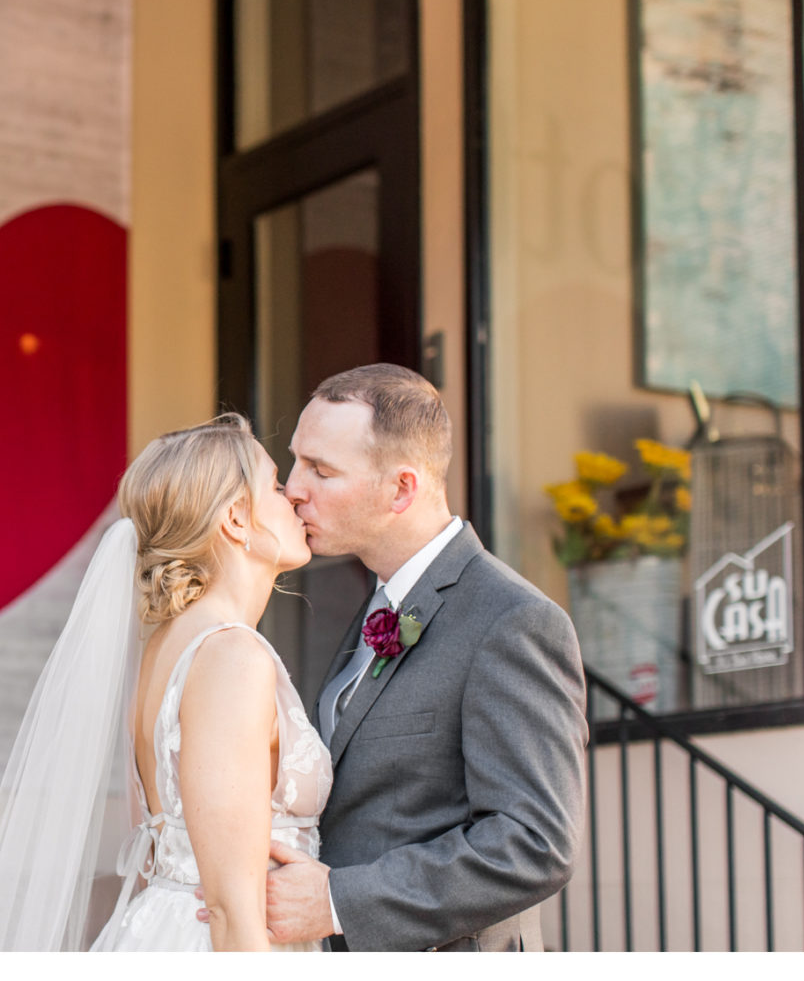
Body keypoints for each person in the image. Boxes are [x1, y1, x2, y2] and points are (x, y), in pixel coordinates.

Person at [203, 363, 587, 951]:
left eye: (322, 470)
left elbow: (533, 842)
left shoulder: (511, 621)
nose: (294, 488)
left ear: (401, 488)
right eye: (297, 461)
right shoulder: (374, 606)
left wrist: (337, 902)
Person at [0, 414, 331, 951]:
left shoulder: (163, 649)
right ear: (235, 521)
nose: (292, 496)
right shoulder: (231, 657)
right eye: (273, 485)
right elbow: (228, 908)